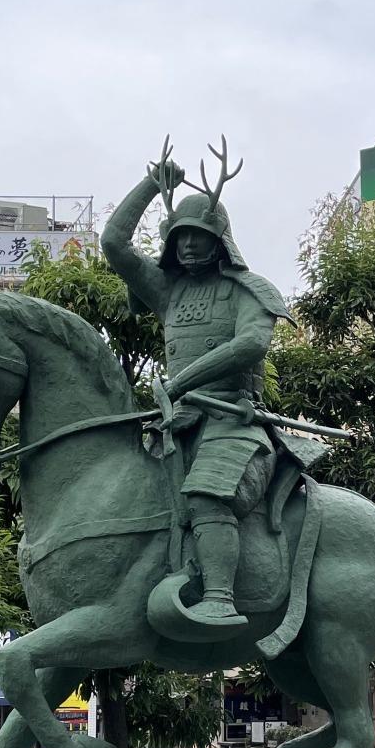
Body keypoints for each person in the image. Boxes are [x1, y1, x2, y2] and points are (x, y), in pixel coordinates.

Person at [101, 138, 289, 631]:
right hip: (178, 423)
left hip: (234, 421)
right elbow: (114, 245)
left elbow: (251, 344)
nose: (187, 244)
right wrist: (151, 183)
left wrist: (182, 379)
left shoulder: (248, 290)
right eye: (180, 235)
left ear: (219, 238)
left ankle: (220, 598)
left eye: (197, 235)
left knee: (207, 492)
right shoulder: (169, 291)